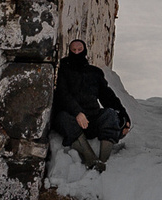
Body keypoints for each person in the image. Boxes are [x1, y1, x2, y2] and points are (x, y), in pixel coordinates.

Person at [49, 38, 129, 171]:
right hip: (73, 118)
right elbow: (63, 94)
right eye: (73, 50)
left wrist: (123, 115)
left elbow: (107, 97)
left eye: (79, 50)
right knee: (62, 118)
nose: (76, 52)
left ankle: (103, 162)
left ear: (84, 50)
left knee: (110, 114)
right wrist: (77, 113)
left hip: (92, 118)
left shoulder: (95, 73)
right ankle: (91, 160)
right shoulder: (64, 70)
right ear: (69, 51)